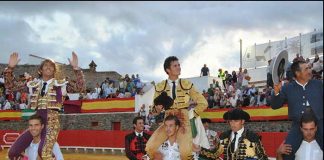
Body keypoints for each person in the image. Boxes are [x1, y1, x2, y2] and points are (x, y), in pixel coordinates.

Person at [6, 52, 85, 160]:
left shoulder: (60, 84)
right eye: (46, 65)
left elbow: (79, 88)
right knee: (13, 152)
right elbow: (11, 86)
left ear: (54, 70)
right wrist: (10, 68)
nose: (49, 67)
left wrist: (76, 69)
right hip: (36, 123)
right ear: (40, 70)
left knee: (43, 152)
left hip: (52, 124)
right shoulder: (33, 84)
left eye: (51, 66)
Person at [145, 56, 208, 160]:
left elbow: (203, 103)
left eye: (179, 65)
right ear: (168, 70)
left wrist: (191, 114)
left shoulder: (187, 84)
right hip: (168, 122)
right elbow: (153, 111)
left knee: (185, 153)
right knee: (150, 148)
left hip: (183, 121)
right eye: (175, 65)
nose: (179, 67)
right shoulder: (160, 86)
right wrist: (157, 109)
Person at [271, 60, 323, 160]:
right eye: (306, 69)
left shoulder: (318, 84)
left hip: (320, 122)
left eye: (309, 67)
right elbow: (275, 105)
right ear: (297, 73)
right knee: (287, 152)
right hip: (298, 125)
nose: (309, 70)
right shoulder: (287, 88)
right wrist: (276, 92)